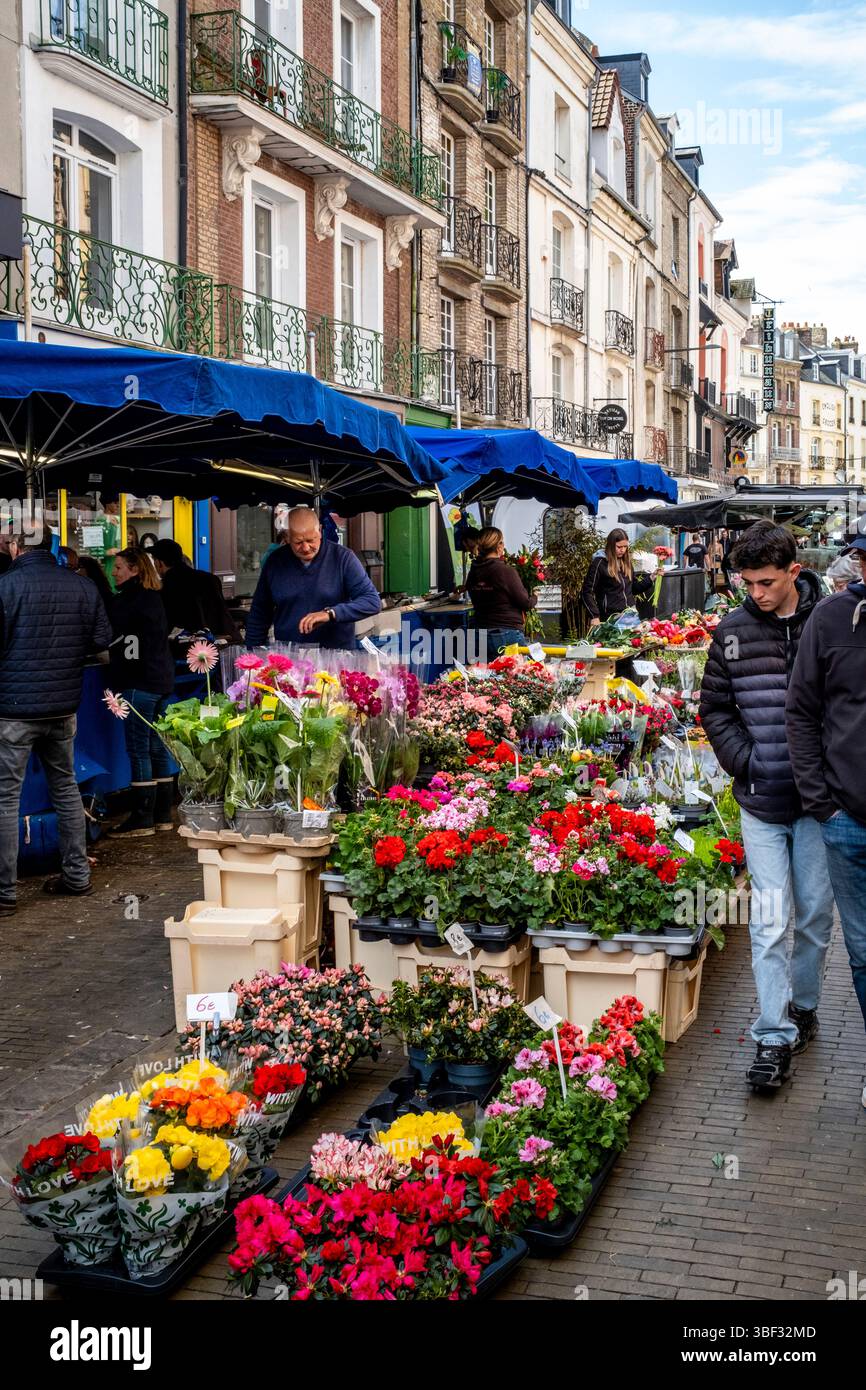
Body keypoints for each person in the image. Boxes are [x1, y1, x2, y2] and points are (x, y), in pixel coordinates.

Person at [699, 521, 834, 1091]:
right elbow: (715, 709)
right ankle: (773, 1034)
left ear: (794, 574)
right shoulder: (731, 632)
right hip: (760, 801)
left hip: (818, 803)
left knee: (813, 919)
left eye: (766, 582)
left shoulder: (829, 626)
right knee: (770, 921)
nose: (755, 592)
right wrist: (746, 760)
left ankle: (803, 1006)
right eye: (747, 582)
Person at [786, 524, 866, 1105]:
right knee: (863, 950)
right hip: (848, 819)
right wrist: (823, 804)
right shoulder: (833, 620)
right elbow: (802, 712)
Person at [0, 527, 112, 909]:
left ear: (15, 547)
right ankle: (77, 876)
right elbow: (101, 640)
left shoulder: (4, 586)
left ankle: (5, 893)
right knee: (65, 789)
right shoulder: (82, 587)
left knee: (6, 799)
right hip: (64, 708)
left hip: (13, 710)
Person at [108, 548, 177, 836]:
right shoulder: (155, 598)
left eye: (120, 567)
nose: (114, 572)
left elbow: (116, 639)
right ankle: (163, 815)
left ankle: (142, 817)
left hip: (139, 683)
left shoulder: (127, 602)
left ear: (135, 570)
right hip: (161, 681)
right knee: (157, 747)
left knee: (139, 751)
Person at [245, 506, 381, 648]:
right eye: (298, 542)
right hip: (289, 655)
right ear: (287, 537)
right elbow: (259, 613)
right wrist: (251, 653)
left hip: (335, 657)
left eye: (311, 540)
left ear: (320, 531)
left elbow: (371, 601)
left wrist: (330, 613)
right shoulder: (275, 561)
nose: (305, 547)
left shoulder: (342, 557)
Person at [150, 538, 240, 642]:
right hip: (219, 642)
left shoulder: (164, 587)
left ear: (160, 563)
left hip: (185, 648)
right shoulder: (210, 579)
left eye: (154, 561)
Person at [466, 527, 535, 661]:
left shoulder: (473, 572)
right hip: (506, 633)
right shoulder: (504, 571)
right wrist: (535, 597)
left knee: (490, 678)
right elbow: (525, 603)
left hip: (480, 634)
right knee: (519, 676)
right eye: (502, 542)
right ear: (498, 546)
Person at [581, 528, 654, 623]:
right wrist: (594, 615)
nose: (622, 550)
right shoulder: (599, 563)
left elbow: (633, 589)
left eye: (625, 546)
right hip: (610, 617)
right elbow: (587, 592)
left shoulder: (627, 562)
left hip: (631, 614)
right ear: (611, 545)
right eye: (619, 547)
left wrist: (651, 578)